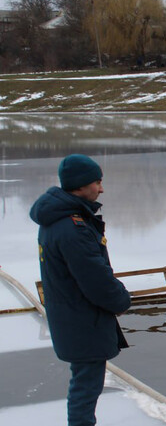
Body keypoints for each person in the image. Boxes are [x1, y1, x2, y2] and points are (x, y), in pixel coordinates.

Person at [29, 154, 132, 426]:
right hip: (83, 319)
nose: (101, 188)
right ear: (81, 185)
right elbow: (94, 278)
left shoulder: (55, 220)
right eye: (97, 182)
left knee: (83, 386)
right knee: (86, 390)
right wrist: (122, 300)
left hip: (71, 316)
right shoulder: (72, 227)